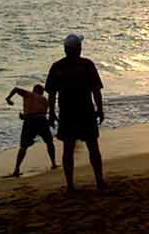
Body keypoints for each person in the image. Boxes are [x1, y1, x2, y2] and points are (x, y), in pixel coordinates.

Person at [45, 34, 106, 192]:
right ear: (79, 49)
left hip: (67, 113)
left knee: (68, 149)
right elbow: (96, 91)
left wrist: (51, 113)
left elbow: (51, 94)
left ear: (65, 49)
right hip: (86, 111)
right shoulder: (87, 65)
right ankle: (99, 181)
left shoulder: (57, 67)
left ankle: (70, 185)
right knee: (93, 147)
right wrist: (100, 109)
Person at [6, 84, 58, 176]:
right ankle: (53, 163)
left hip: (30, 121)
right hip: (42, 121)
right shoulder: (44, 99)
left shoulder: (29, 94)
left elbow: (16, 89)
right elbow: (44, 113)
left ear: (34, 90)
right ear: (41, 92)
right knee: (49, 142)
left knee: (23, 146)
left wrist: (8, 98)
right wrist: (54, 122)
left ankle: (16, 169)